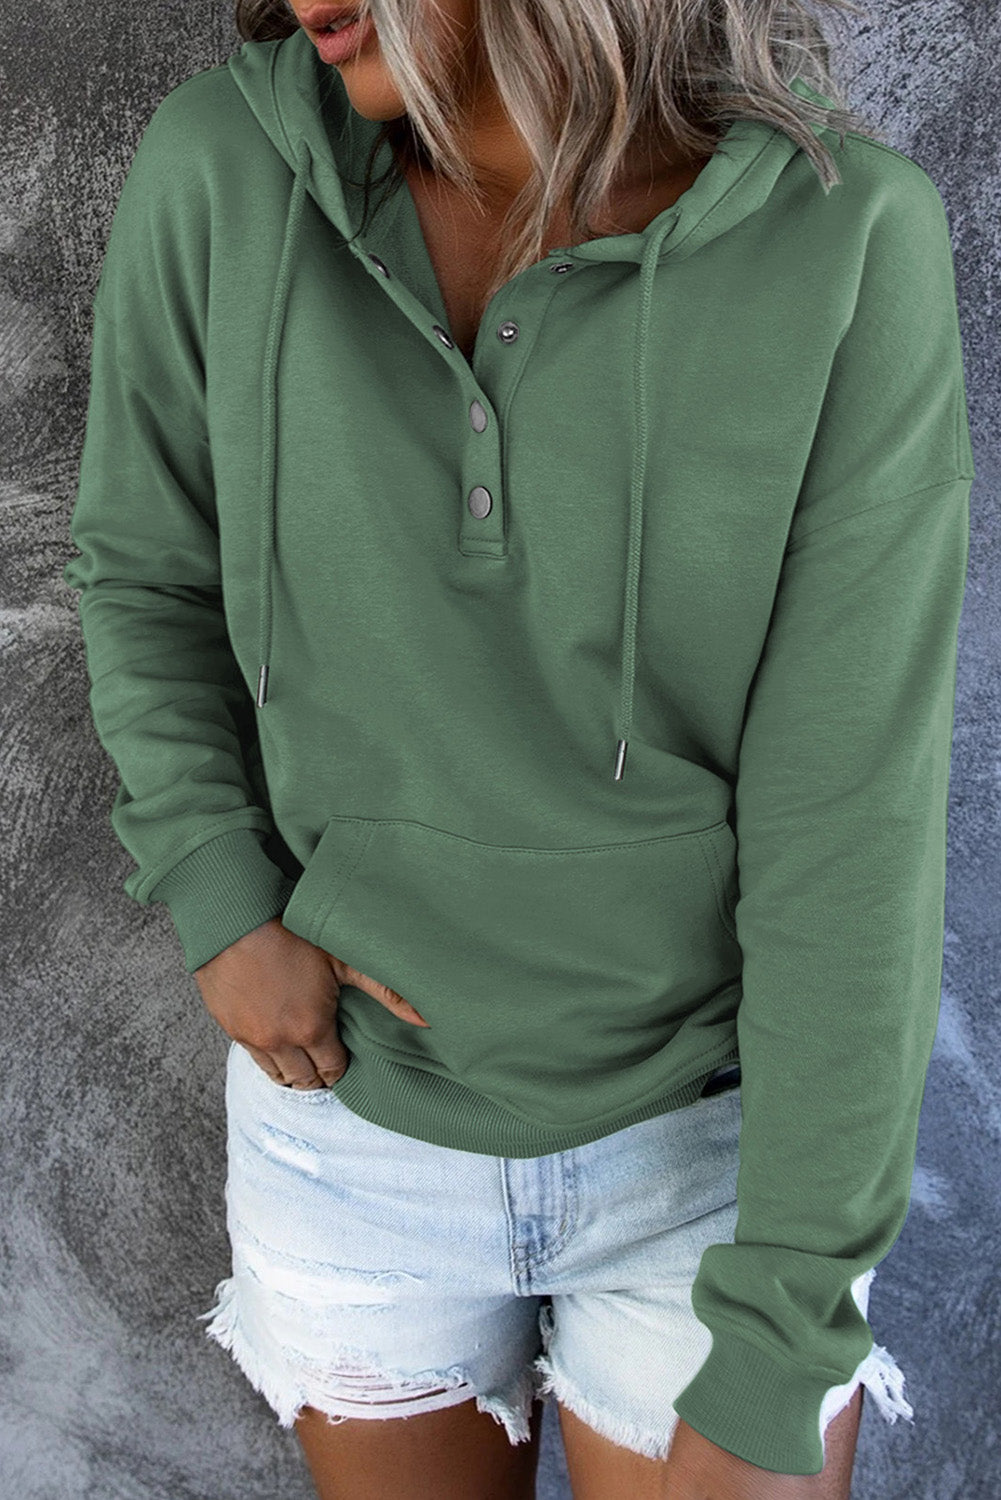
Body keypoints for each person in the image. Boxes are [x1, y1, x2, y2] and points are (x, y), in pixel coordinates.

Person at [61, 0, 974, 1496]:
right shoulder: (222, 165)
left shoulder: (845, 239)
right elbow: (145, 565)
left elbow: (851, 819)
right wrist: (215, 886)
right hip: (349, 1127)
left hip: (719, 1154)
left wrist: (786, 1319)